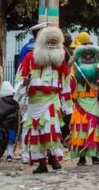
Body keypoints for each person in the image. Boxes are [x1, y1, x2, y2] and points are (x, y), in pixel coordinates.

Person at [16, 26, 74, 173]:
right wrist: (25, 84)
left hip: (52, 100)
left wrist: (68, 107)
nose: (52, 45)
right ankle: (41, 163)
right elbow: (20, 79)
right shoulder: (29, 58)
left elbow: (65, 84)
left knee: (52, 130)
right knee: (36, 133)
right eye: (49, 42)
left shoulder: (60, 62)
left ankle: (54, 159)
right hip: (34, 102)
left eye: (55, 42)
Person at [68, 44, 99, 166]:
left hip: (93, 103)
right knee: (80, 130)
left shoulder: (98, 70)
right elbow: (66, 80)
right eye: (85, 55)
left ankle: (94, 155)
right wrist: (69, 64)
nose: (88, 57)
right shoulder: (75, 71)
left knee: (94, 130)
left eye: (90, 55)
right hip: (80, 104)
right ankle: (82, 157)